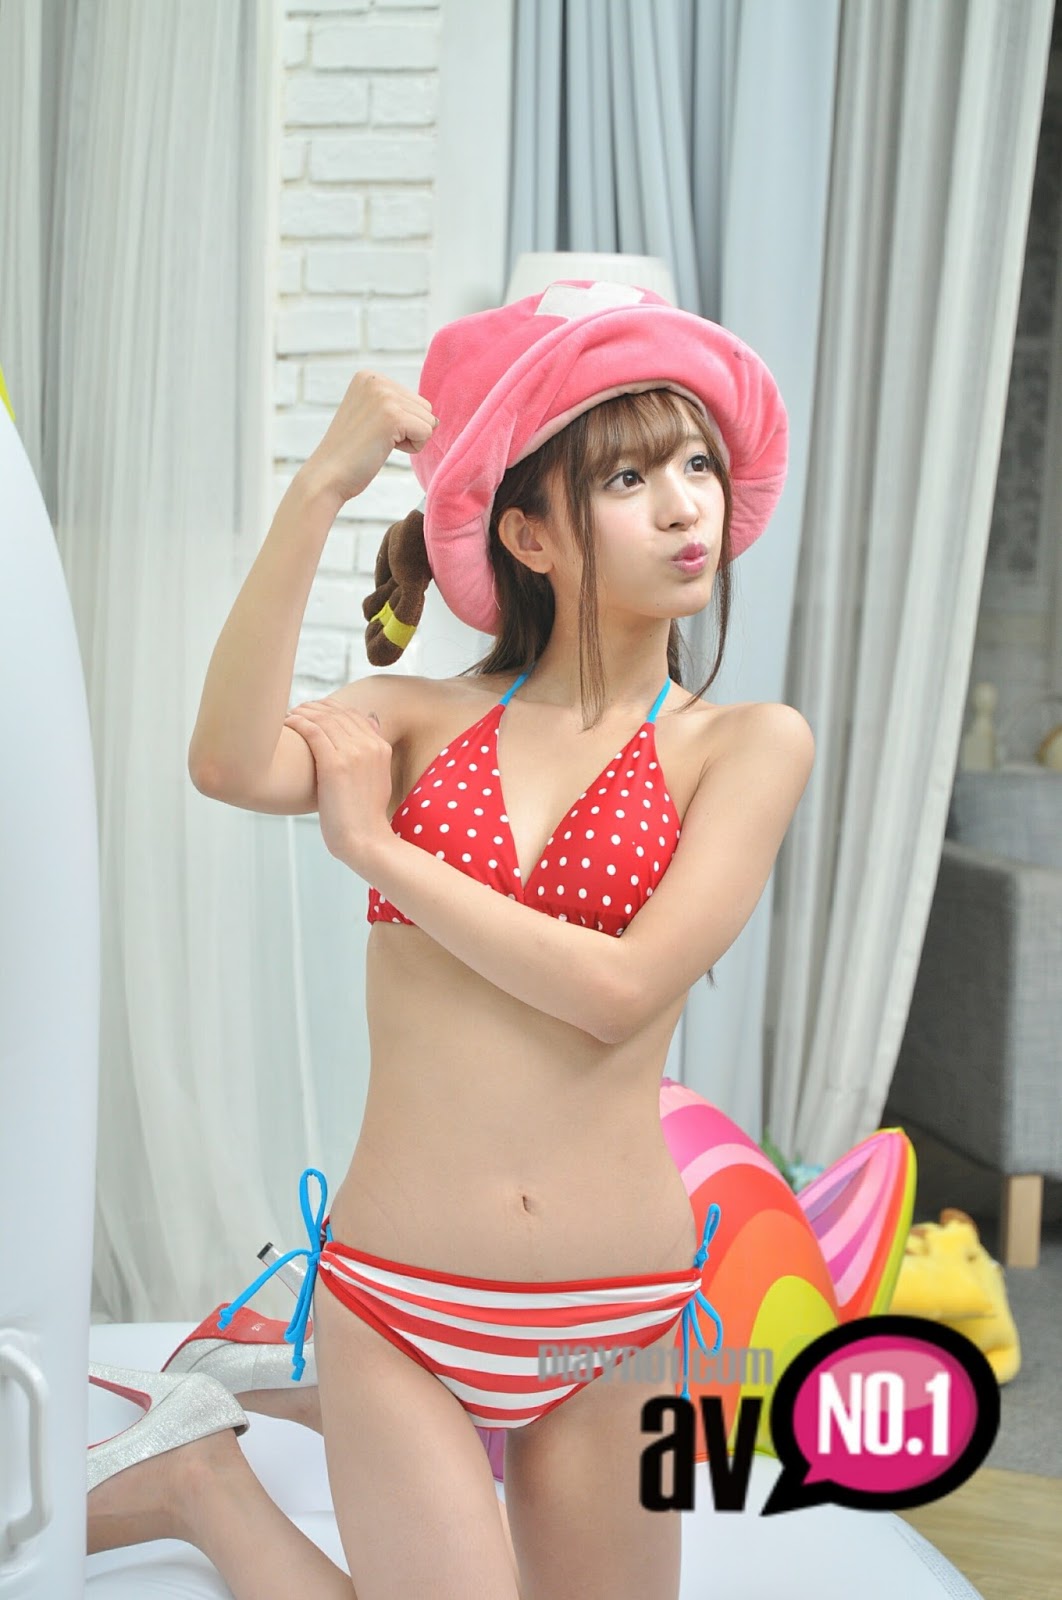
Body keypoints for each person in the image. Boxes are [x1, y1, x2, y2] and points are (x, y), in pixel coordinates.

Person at [87, 279, 813, 1599]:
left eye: (698, 466)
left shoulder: (746, 745)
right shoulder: (418, 719)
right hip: (402, 1298)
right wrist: (322, 487)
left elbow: (619, 990)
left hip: (616, 1318)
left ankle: (199, 1479)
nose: (683, 507)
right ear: (528, 535)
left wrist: (378, 851)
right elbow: (227, 760)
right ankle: (206, 1484)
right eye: (629, 478)